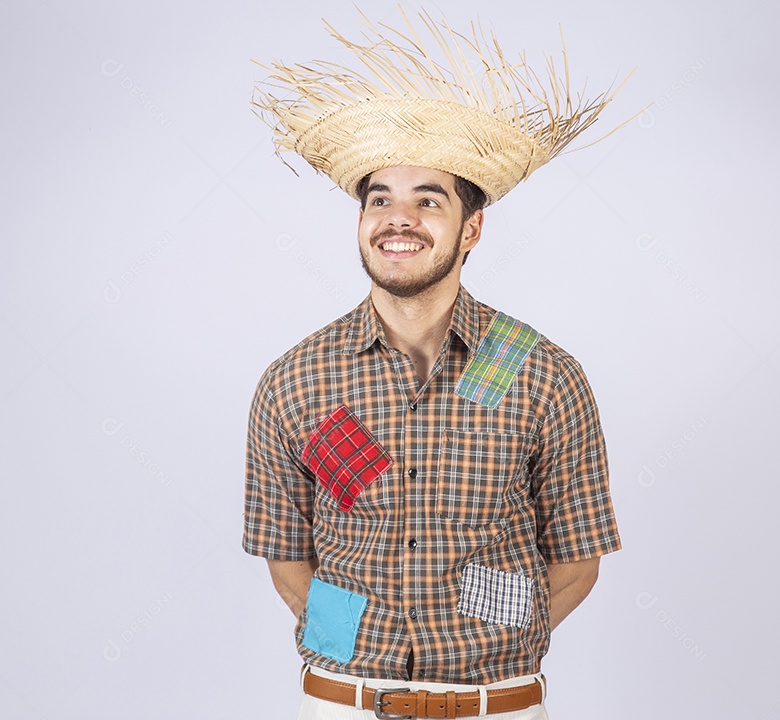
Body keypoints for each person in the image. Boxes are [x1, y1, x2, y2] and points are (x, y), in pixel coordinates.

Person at [243, 9, 627, 719]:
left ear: (470, 227)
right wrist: (353, 646)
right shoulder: (296, 381)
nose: (399, 218)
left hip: (497, 707)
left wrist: (486, 636)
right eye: (380, 199)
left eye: (429, 200)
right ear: (361, 221)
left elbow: (577, 559)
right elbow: (286, 553)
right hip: (342, 704)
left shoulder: (539, 373)